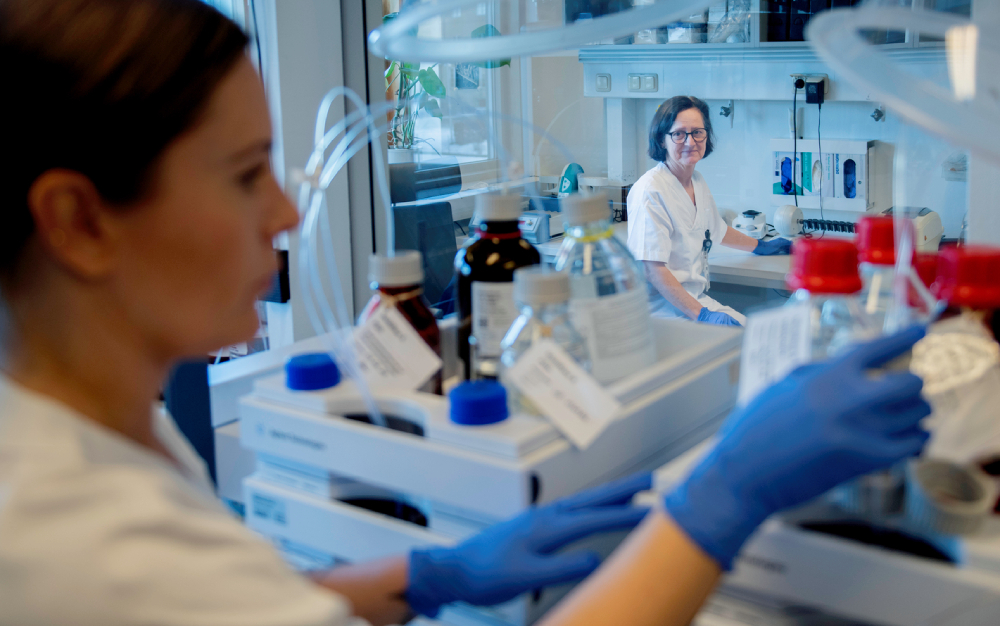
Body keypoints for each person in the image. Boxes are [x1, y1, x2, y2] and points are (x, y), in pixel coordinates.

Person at [0, 2, 930, 625]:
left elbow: (236, 601)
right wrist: (718, 503)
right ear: (80, 222)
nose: (286, 215)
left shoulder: (116, 428)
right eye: (246, 175)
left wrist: (421, 574)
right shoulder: (72, 534)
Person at [626, 96, 793, 328]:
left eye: (697, 132)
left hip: (694, 302)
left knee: (757, 335)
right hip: (662, 315)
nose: (690, 141)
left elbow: (717, 230)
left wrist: (762, 247)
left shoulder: (696, 180)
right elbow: (652, 270)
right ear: (662, 140)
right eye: (679, 134)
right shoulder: (650, 191)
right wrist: (702, 315)